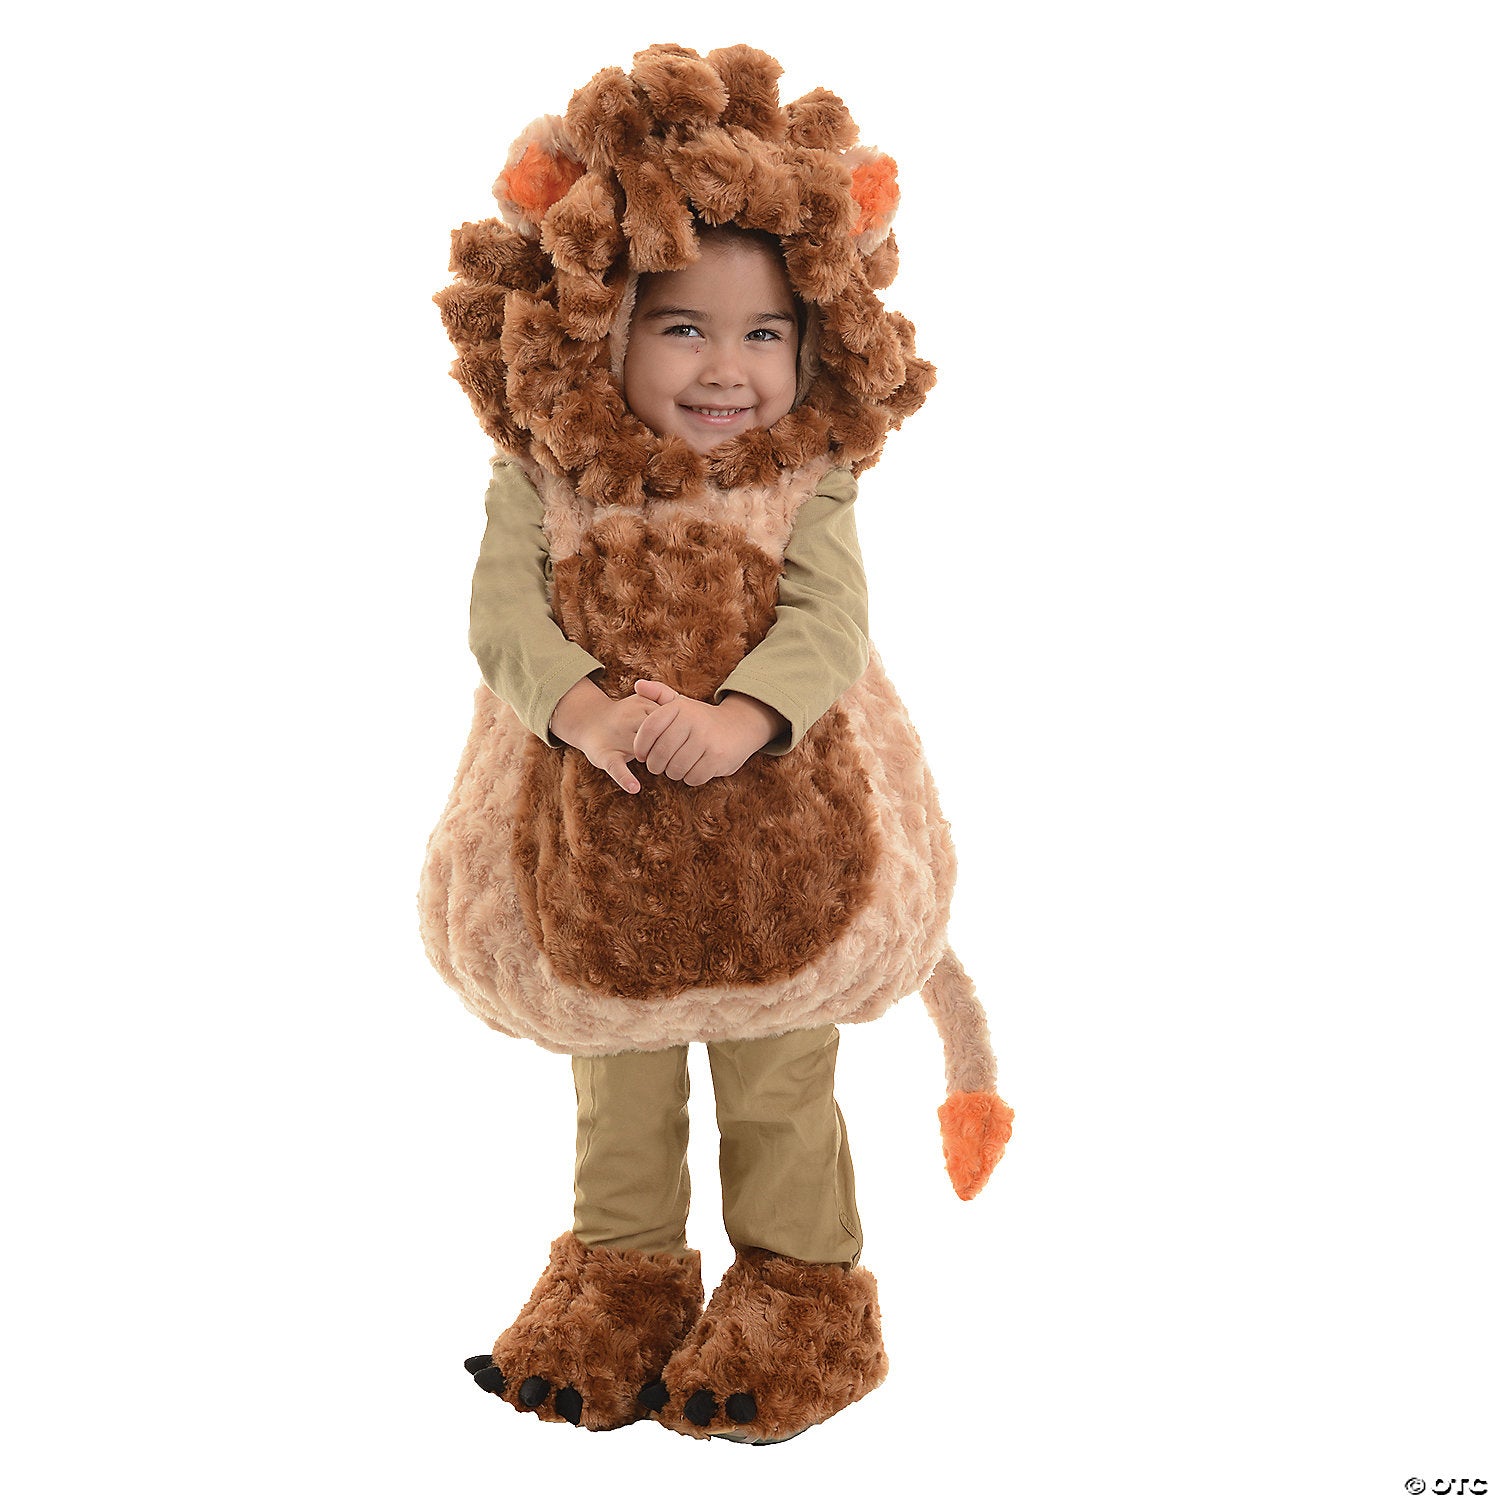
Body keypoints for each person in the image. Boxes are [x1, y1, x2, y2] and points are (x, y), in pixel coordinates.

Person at [421, 43, 1013, 1446]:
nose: (729, 369)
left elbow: (827, 621)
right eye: (683, 327)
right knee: (618, 1085)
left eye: (766, 335)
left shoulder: (808, 478)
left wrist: (741, 718)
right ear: (600, 329)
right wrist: (581, 706)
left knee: (779, 1084)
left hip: (783, 845)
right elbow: (502, 616)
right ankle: (621, 1281)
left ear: (815, 340)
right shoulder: (544, 476)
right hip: (598, 854)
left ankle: (801, 1295)